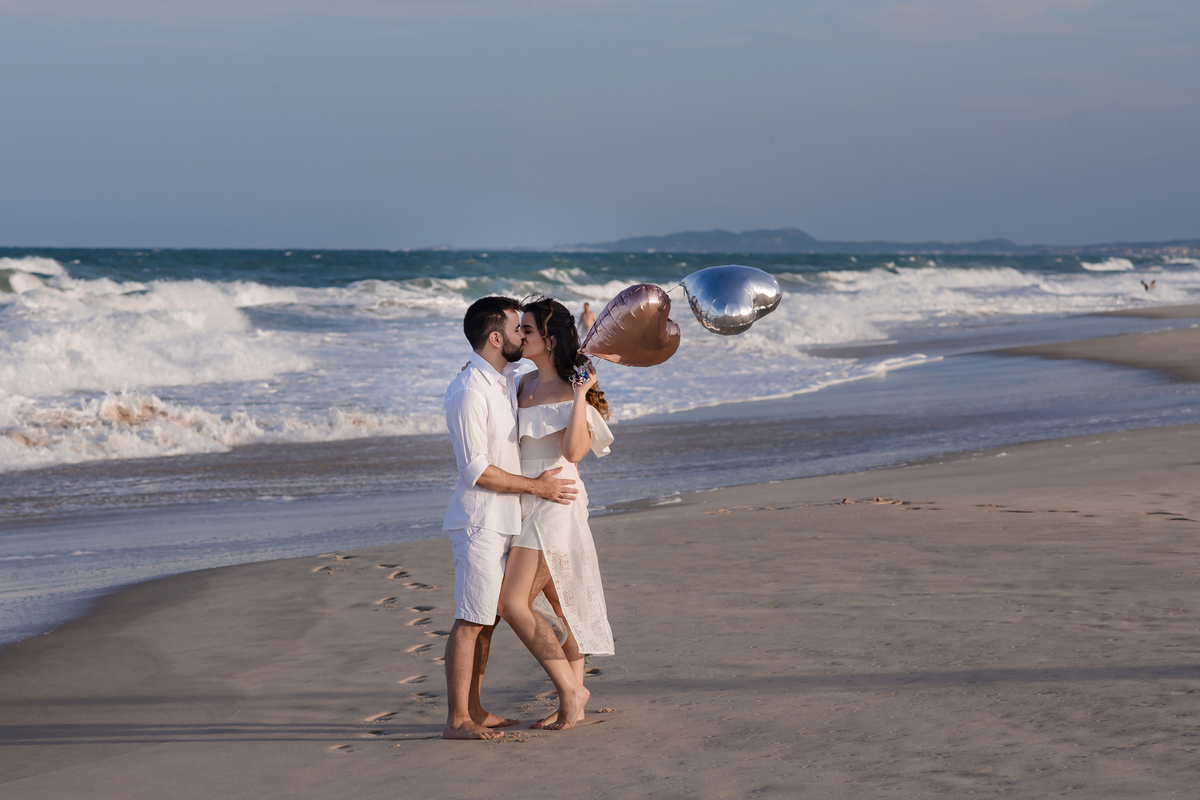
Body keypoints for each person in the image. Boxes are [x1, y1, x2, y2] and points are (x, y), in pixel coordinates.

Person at [441, 296, 578, 740]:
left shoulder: (505, 379)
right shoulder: (469, 390)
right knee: (471, 618)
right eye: (518, 328)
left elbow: (558, 358)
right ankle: (458, 719)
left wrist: (588, 337)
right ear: (496, 337)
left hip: (510, 518)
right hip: (480, 520)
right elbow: (475, 469)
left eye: (527, 329)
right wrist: (538, 486)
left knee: (489, 618)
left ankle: (475, 710)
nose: (524, 334)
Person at [497, 296, 615, 731]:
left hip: (557, 500)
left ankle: (570, 690)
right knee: (563, 605)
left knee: (511, 603)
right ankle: (576, 703)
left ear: (547, 339)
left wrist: (582, 393)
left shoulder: (570, 389)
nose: (519, 336)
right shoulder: (522, 383)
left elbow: (574, 452)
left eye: (526, 330)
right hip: (523, 496)